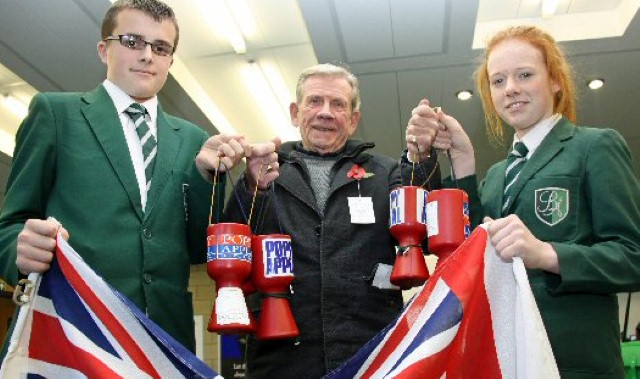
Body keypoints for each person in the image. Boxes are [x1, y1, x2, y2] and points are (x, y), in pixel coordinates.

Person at [0, 0, 276, 352]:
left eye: (160, 47)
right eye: (132, 41)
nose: (147, 55)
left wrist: (207, 178)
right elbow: (10, 226)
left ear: (170, 60)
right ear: (104, 49)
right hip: (75, 330)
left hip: (163, 340)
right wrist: (18, 252)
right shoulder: (56, 114)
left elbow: (196, 250)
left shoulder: (193, 138)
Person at [419, 25, 640, 378]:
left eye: (525, 74)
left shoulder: (594, 147)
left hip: (572, 366)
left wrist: (547, 254)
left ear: (554, 80)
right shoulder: (497, 176)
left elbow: (633, 257)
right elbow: (474, 255)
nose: (511, 89)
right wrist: (463, 162)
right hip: (505, 362)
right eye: (499, 81)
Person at [222, 63, 442, 378]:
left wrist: (421, 159)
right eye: (315, 101)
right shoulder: (266, 169)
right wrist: (251, 188)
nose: (326, 112)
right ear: (295, 113)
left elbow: (425, 238)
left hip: (368, 352)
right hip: (281, 358)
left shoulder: (385, 173)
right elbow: (233, 250)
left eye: (338, 104)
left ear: (353, 121)